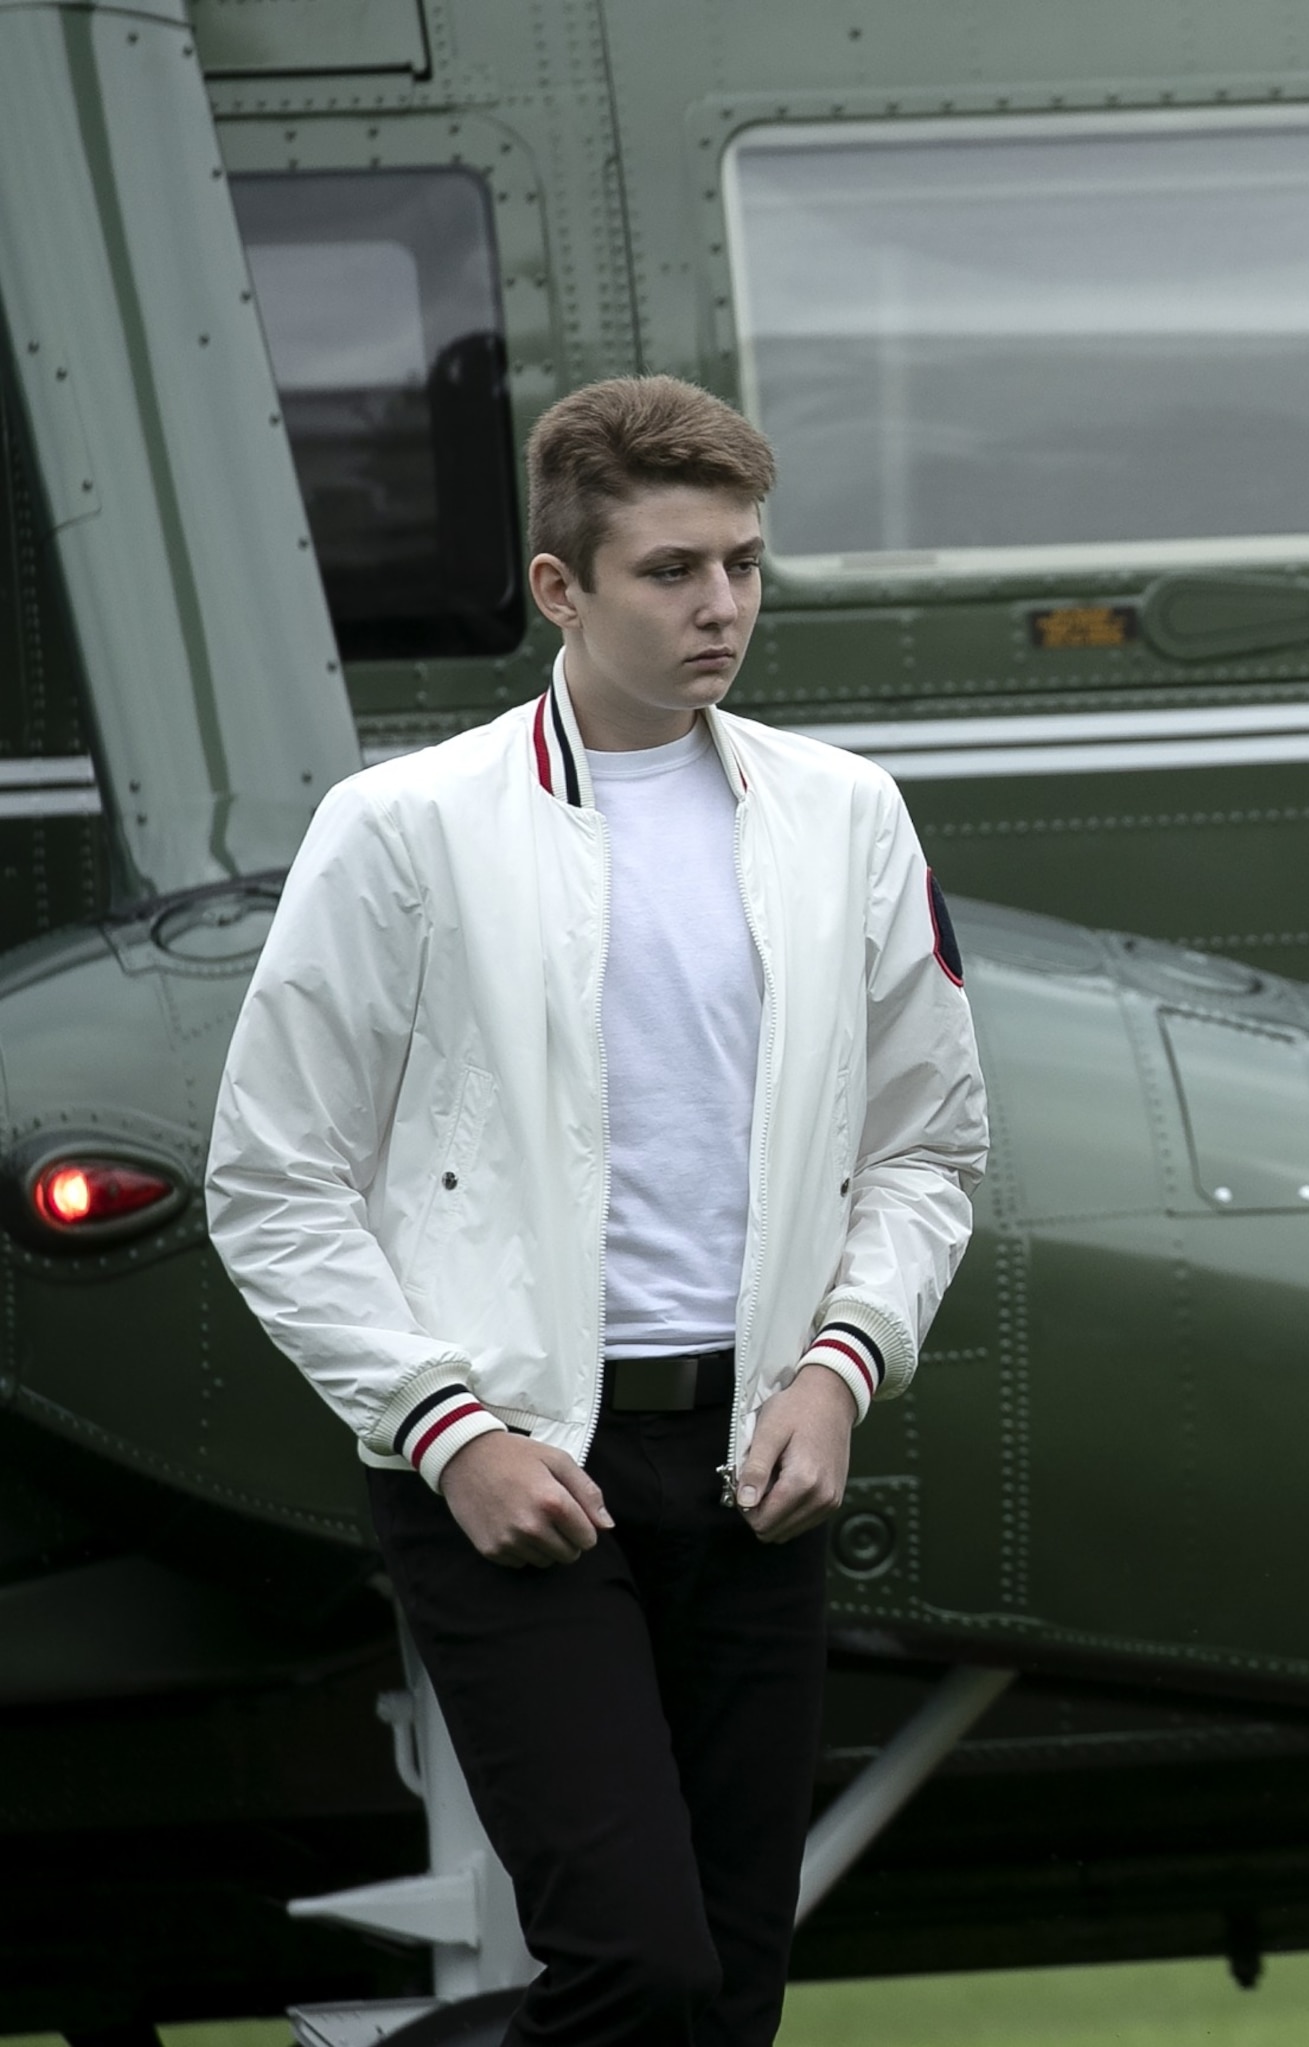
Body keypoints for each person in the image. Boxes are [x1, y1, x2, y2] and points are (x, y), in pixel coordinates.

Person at [206, 376, 989, 2047]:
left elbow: (929, 1149)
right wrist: (449, 1432)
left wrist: (842, 1371)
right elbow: (275, 1179)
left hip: (758, 1464)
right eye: (673, 571)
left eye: (747, 566)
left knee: (735, 1990)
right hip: (509, 1469)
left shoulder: (844, 813)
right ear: (563, 590)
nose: (722, 608)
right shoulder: (403, 829)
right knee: (639, 1971)